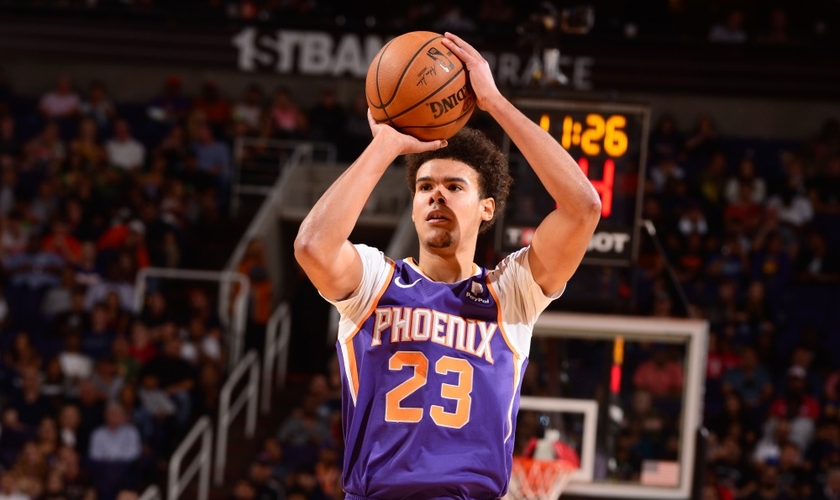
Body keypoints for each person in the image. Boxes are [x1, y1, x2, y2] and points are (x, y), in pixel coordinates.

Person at [293, 32, 601, 500]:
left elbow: (583, 207)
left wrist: (494, 102)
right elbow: (313, 246)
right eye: (424, 187)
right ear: (413, 207)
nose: (436, 194)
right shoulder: (375, 281)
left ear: (487, 208)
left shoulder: (511, 292)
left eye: (455, 186)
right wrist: (384, 146)